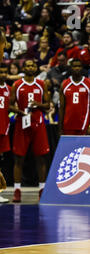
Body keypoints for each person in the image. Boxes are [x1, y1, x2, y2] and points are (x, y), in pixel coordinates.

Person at [9, 60, 51, 202]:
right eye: (28, 65)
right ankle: (17, 190)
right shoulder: (17, 85)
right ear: (24, 68)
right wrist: (20, 111)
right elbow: (9, 106)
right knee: (18, 158)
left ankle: (42, 190)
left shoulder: (41, 84)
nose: (30, 67)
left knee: (41, 158)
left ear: (35, 68)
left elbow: (47, 105)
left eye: (33, 65)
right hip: (22, 123)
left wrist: (37, 104)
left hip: (38, 124)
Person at [59, 59, 90, 136]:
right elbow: (62, 107)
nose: (77, 68)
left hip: (84, 124)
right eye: (74, 66)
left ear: (82, 68)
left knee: (83, 148)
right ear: (70, 68)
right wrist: (60, 128)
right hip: (68, 125)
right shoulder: (64, 84)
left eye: (79, 66)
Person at [0, 63, 10, 203]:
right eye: (0, 72)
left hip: (3, 129)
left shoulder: (8, 89)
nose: (2, 74)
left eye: (4, 72)